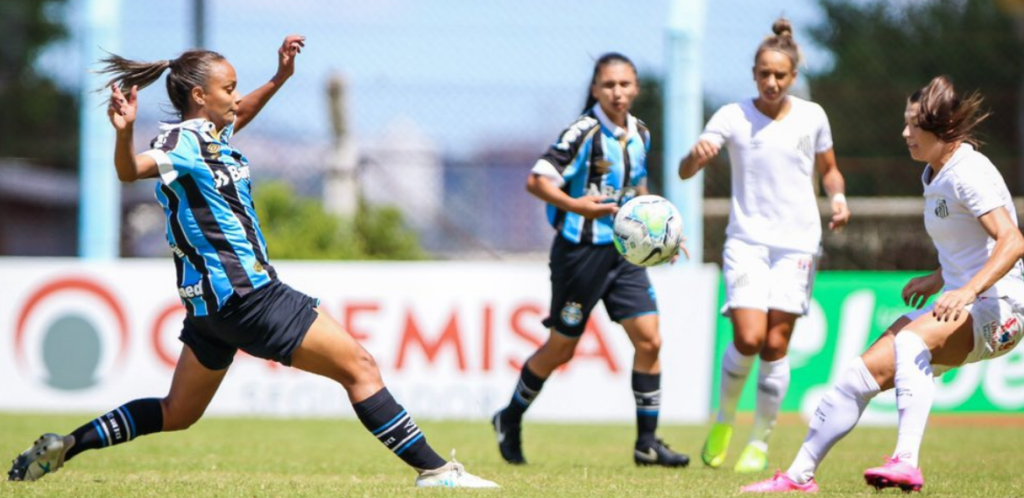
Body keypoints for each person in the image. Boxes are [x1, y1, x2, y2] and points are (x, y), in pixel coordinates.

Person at [6, 35, 497, 489]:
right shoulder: (182, 143)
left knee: (178, 412)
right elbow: (130, 170)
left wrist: (279, 78)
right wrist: (125, 132)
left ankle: (68, 445)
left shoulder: (214, 137)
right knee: (361, 368)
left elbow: (243, 112)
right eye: (229, 88)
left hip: (213, 311)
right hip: (250, 296)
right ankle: (436, 472)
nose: (236, 97)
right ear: (199, 95)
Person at [741, 76, 1024, 493]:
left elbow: (1012, 241)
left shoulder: (968, 172)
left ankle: (906, 462)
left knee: (910, 343)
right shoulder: (935, 172)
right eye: (905, 122)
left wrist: (966, 290)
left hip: (1002, 310)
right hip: (965, 304)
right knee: (856, 378)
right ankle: (798, 476)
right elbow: (971, 247)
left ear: (943, 128)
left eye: (914, 125)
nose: (905, 133)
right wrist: (939, 277)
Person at [491, 52, 690, 469]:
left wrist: (663, 235)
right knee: (561, 349)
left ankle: (647, 443)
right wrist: (577, 205)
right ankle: (509, 417)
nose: (617, 92)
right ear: (596, 89)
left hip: (623, 254)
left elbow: (638, 188)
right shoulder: (582, 132)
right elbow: (536, 181)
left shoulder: (641, 132)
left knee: (650, 341)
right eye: (609, 84)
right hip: (579, 254)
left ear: (636, 88)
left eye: (624, 84)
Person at [678, 18, 851, 473]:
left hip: (798, 245)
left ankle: (759, 440)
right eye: (763, 74)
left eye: (779, 75)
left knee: (775, 344)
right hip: (747, 242)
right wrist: (695, 156)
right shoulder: (732, 115)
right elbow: (685, 169)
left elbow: (830, 169)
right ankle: (724, 420)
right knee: (748, 337)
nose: (771, 82)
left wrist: (837, 198)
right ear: (753, 73)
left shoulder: (812, 116)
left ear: (793, 76)